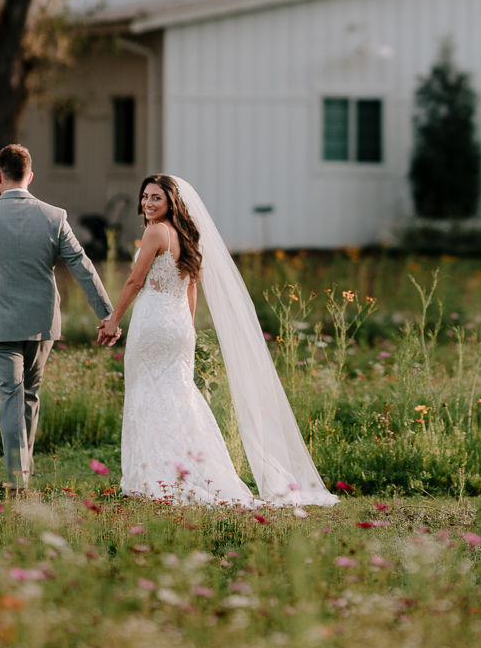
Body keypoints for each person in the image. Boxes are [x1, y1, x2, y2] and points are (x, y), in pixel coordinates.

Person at [98, 174, 335, 507]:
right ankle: (194, 471)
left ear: (170, 203)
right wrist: (189, 327)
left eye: (156, 198)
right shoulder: (186, 234)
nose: (148, 204)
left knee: (147, 395)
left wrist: (113, 320)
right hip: (178, 326)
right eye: (145, 197)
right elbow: (191, 285)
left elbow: (135, 282)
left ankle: (154, 474)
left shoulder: (155, 232)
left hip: (153, 325)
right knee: (179, 399)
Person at [0, 142, 112, 494]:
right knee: (29, 395)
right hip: (42, 323)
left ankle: (16, 479)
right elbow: (82, 266)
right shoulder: (55, 216)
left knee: (10, 395)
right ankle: (22, 474)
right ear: (31, 176)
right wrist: (106, 314)